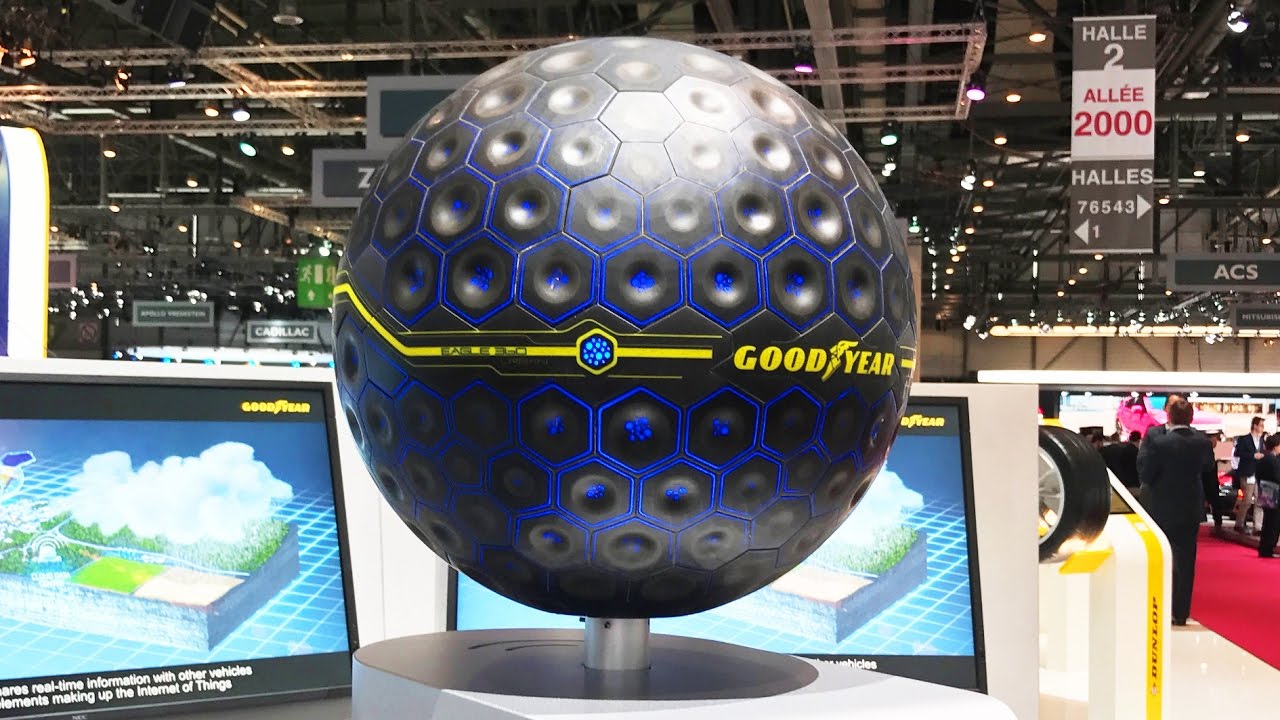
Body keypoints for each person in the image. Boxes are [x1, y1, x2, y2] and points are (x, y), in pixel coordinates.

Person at [1138, 398, 1216, 626]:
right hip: (1190, 508)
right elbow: (1208, 467)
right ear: (1191, 417)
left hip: (1161, 507)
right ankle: (1180, 612)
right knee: (1186, 560)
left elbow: (1146, 474)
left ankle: (1158, 606)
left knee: (1159, 557)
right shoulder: (1202, 442)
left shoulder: (1159, 443)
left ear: (1169, 416)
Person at [1232, 416, 1268, 532]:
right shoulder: (1244, 439)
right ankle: (1239, 523)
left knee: (1259, 501)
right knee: (1247, 500)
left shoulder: (1262, 440)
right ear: (1255, 426)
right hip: (1247, 473)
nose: (1262, 428)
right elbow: (1238, 453)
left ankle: (1258, 526)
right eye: (1261, 425)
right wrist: (1252, 456)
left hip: (1259, 474)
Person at [1255, 435, 1280, 558]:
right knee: (1273, 522)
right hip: (1275, 493)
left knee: (1268, 521)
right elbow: (1277, 476)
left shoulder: (1263, 459)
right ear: (1276, 446)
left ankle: (1264, 547)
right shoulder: (1273, 460)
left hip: (1265, 492)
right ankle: (1268, 548)